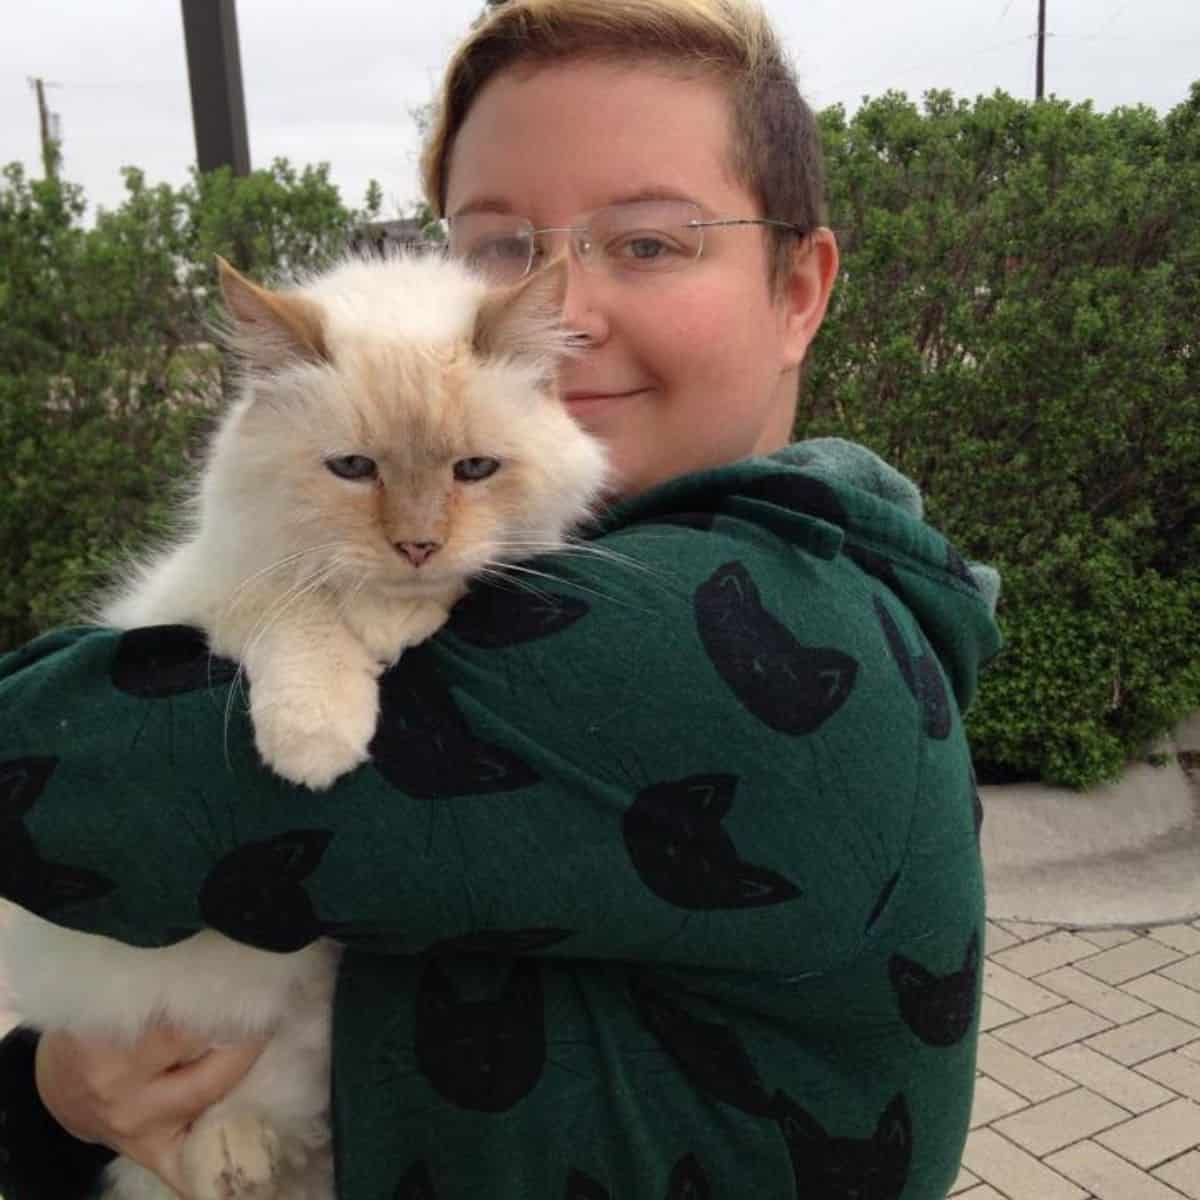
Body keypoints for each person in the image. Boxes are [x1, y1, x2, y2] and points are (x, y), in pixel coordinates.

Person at [0, 0, 1002, 1196]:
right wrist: (58, 1097)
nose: (563, 314)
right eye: (496, 248)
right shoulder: (657, 555)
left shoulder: (749, 640)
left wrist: (48, 1099)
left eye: (650, 241)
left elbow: (53, 777)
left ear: (799, 289)